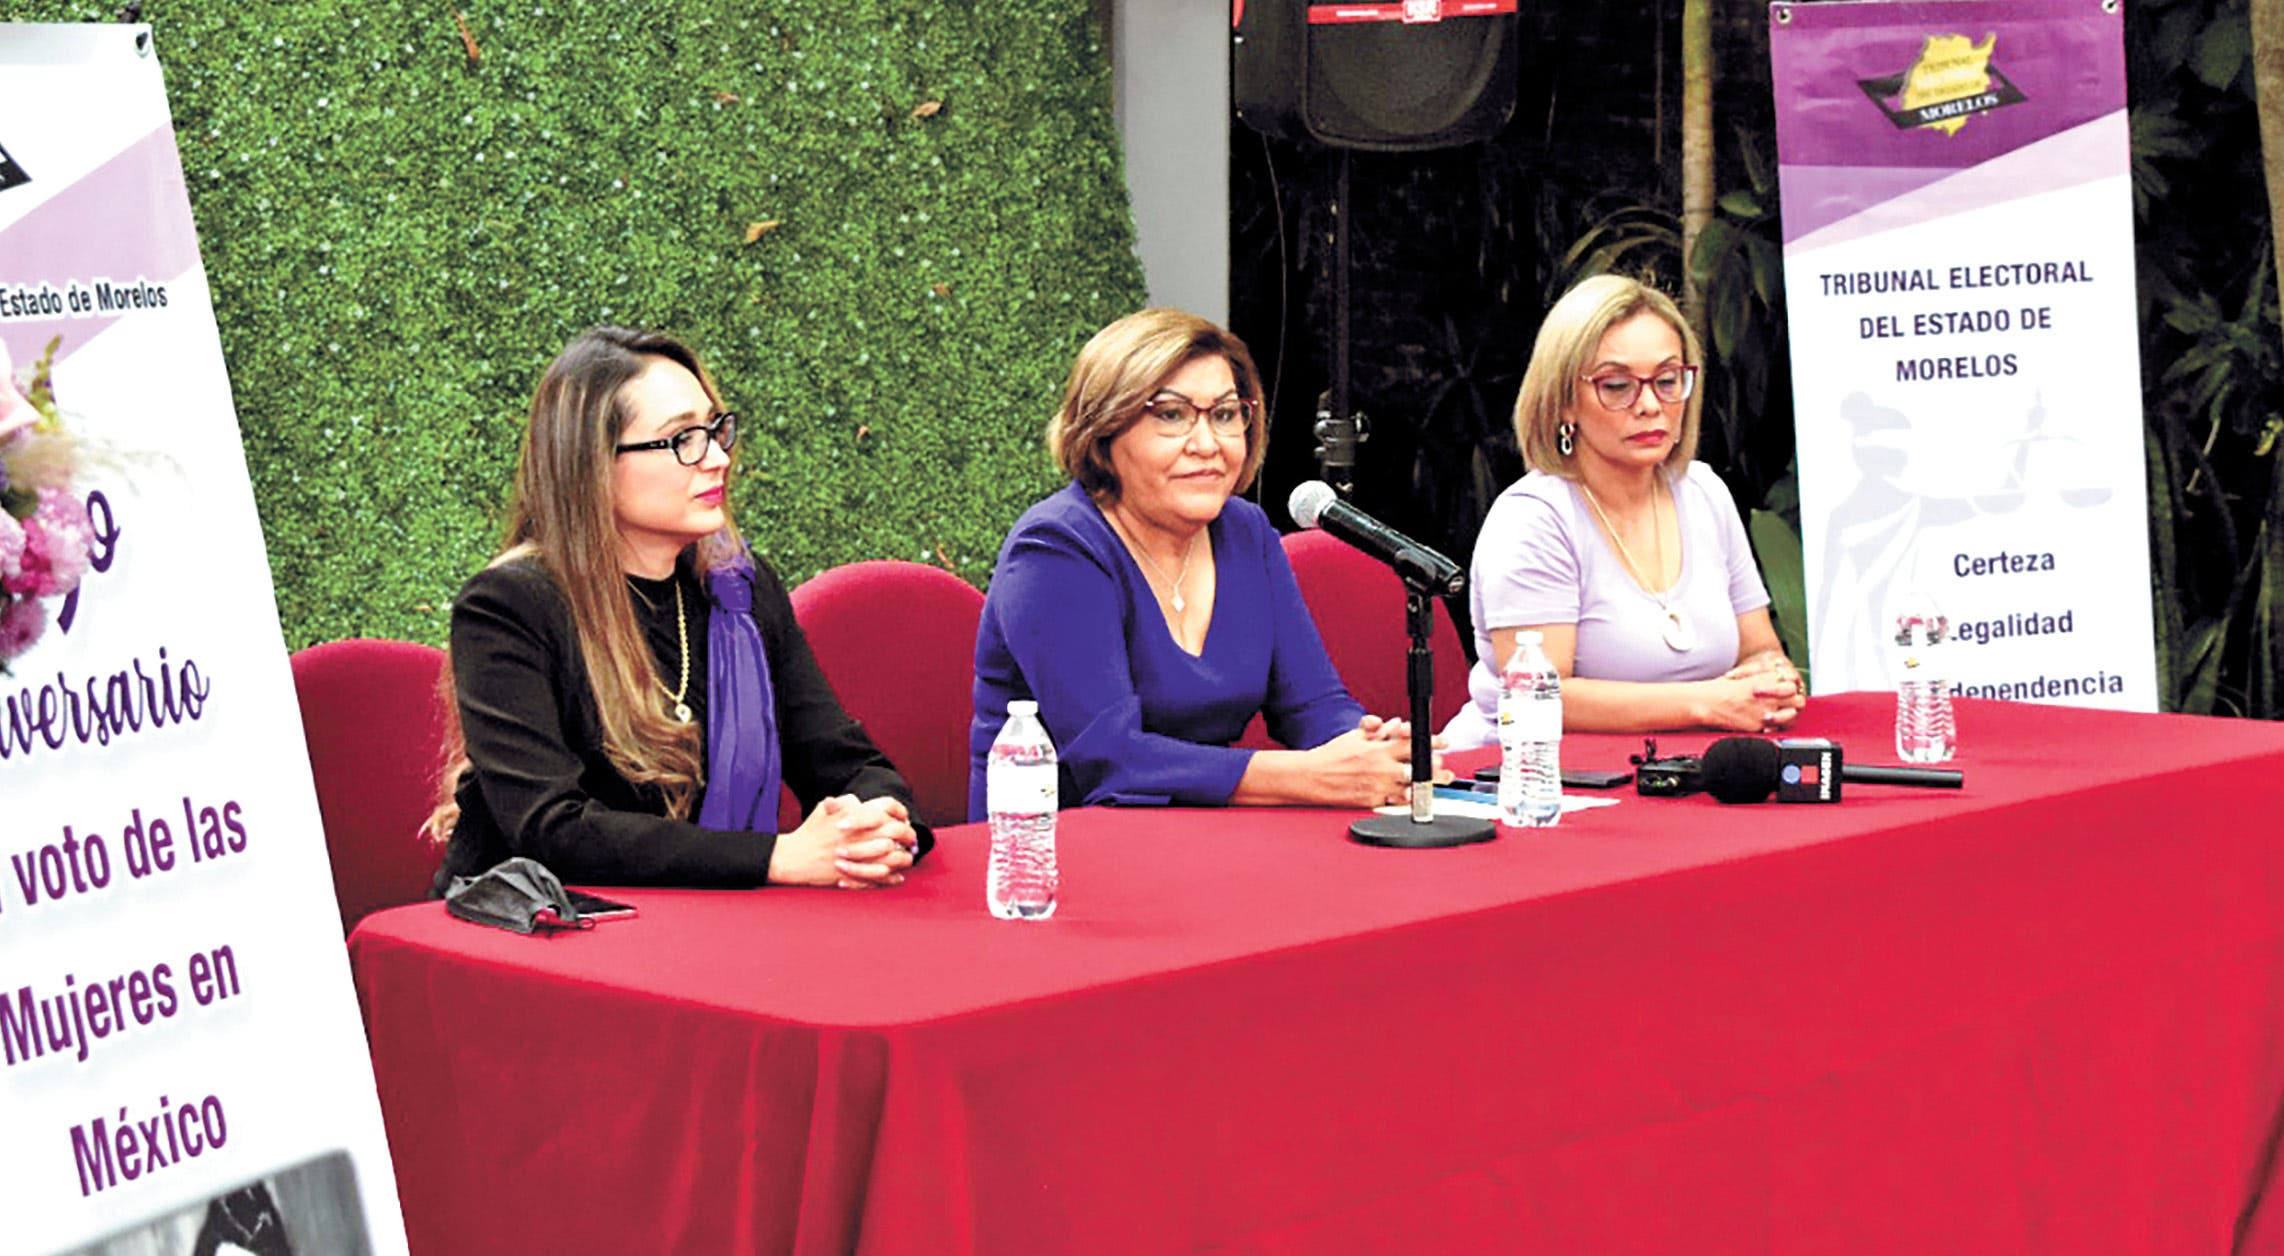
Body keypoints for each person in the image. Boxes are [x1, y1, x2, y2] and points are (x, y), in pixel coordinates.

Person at [427, 326, 928, 890]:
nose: (717, 458)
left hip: (710, 918)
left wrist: (878, 823)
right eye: (683, 439)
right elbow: (553, 829)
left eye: (715, 430)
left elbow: (846, 762)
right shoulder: (508, 607)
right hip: (544, 921)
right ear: (592, 464)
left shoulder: (739, 589)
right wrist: (774, 858)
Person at [969, 308, 1431, 820]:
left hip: (1205, 832)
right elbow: (1113, 760)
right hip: (1051, 846)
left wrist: (1367, 750)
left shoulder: (1245, 531)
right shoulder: (1055, 548)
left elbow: (1312, 705)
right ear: (1104, 430)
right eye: (1172, 415)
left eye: (1225, 414)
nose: (1208, 444)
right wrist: (1313, 776)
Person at [1442, 275, 1805, 745]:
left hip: (1681, 763)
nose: (1650, 404)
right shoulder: (1533, 519)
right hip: (1524, 771)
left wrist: (1772, 679)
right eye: (1617, 386)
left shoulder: (1704, 492)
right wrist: (1708, 702)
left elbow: (1759, 650)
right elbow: (1540, 696)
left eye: (1668, 381)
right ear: (1564, 402)